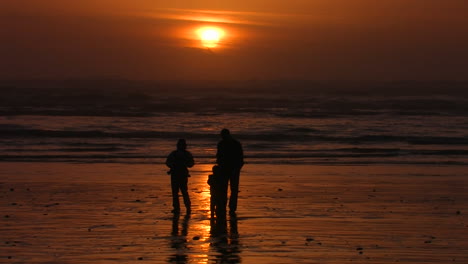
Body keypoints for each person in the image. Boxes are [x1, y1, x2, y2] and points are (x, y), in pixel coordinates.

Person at [216, 129, 244, 214]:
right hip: (229, 169)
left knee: (229, 189)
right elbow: (218, 157)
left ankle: (228, 207)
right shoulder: (233, 143)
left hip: (231, 169)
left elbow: (240, 158)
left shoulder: (227, 144)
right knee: (228, 189)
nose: (222, 137)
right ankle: (228, 207)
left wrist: (237, 168)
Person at [166, 139, 194, 214]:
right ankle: (185, 207)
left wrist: (173, 165)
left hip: (178, 174)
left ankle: (180, 208)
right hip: (180, 174)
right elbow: (191, 164)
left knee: (177, 192)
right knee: (182, 192)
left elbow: (168, 162)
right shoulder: (185, 154)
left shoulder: (174, 154)